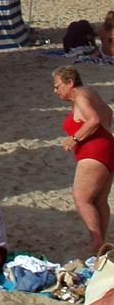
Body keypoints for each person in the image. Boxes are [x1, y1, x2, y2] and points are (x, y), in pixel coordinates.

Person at [53, 66, 114, 255]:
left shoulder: (80, 96)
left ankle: (97, 242)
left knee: (81, 199)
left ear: (70, 83)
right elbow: (108, 113)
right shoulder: (89, 92)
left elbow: (94, 119)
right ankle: (101, 243)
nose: (55, 91)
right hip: (107, 147)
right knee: (99, 200)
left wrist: (75, 138)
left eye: (57, 86)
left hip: (94, 151)